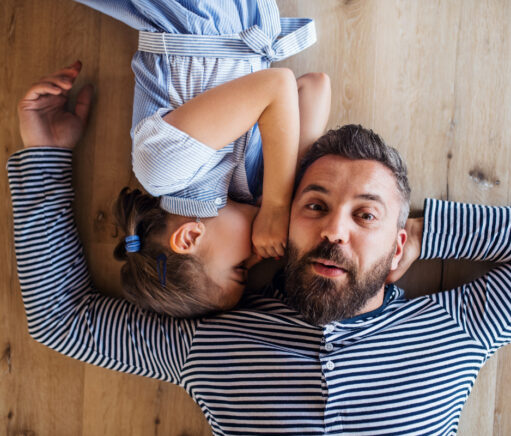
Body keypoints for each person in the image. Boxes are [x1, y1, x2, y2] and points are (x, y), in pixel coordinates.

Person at [10, 68, 511, 435]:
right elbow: (65, 321)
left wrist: (431, 233)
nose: (335, 230)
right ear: (283, 224)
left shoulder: (457, 331)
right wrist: (46, 154)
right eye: (314, 206)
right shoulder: (209, 347)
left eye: (366, 215)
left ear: (398, 240)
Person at [72, 0, 331, 317]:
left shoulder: (163, 173)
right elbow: (313, 86)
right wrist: (284, 197)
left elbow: (276, 85)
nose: (256, 256)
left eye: (240, 268)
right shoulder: (245, 186)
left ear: (190, 236)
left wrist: (276, 206)